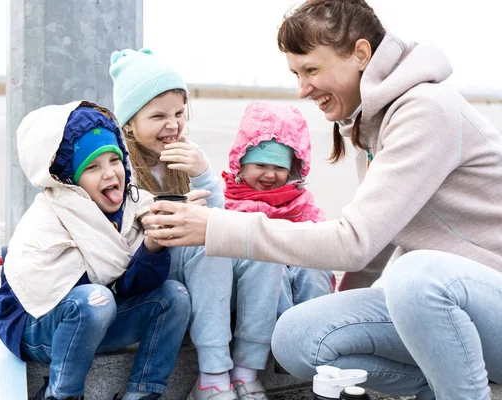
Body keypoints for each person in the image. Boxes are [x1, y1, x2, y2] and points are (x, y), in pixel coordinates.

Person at [142, 1, 502, 398]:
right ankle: (442, 380)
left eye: (311, 69)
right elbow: (377, 244)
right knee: (298, 335)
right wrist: (338, 309)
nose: (302, 88)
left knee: (414, 275)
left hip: (484, 299)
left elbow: (354, 242)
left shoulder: (426, 111)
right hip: (450, 311)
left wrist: (217, 226)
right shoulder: (371, 124)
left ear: (361, 54)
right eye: (296, 73)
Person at [0, 101, 191, 400]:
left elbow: (128, 287)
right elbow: (93, 294)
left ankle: (142, 393)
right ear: (70, 179)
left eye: (114, 160)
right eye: (93, 167)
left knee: (174, 297)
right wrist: (119, 281)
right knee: (95, 300)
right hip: (39, 328)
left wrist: (152, 247)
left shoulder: (133, 206)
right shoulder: (50, 217)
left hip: (98, 320)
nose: (111, 173)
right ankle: (61, 394)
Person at [110, 48, 277, 400]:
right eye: (157, 116)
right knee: (207, 239)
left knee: (258, 242)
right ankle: (213, 376)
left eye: (178, 113)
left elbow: (219, 213)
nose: (172, 125)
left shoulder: (187, 154)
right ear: (128, 122)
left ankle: (246, 371)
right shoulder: (118, 165)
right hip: (152, 276)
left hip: (201, 275)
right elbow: (137, 230)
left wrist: (203, 175)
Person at [222, 100, 334, 319]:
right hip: (249, 289)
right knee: (271, 268)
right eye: (261, 166)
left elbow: (323, 237)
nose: (270, 175)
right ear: (242, 165)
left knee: (314, 269)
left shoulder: (300, 202)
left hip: (296, 267)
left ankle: (313, 325)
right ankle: (277, 333)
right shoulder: (229, 201)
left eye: (279, 168)